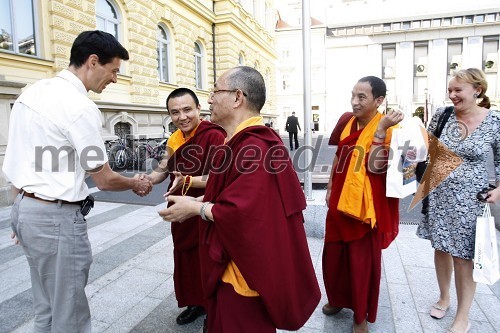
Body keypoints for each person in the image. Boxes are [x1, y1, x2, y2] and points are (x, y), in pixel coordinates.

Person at [2, 30, 153, 333]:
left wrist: (23, 214)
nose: (113, 80)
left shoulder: (31, 92)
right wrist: (136, 182)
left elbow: (17, 160)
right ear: (92, 61)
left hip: (25, 208)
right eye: (113, 71)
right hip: (55, 220)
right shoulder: (80, 106)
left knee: (46, 305)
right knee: (69, 313)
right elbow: (106, 179)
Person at [158, 66, 321, 332]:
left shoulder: (255, 146)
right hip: (234, 259)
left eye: (215, 91)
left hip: (243, 272)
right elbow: (232, 187)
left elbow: (243, 212)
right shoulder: (241, 141)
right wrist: (193, 185)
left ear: (237, 97)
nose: (209, 99)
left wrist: (195, 207)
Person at [416, 68, 500, 333]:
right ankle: (443, 297)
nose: (452, 95)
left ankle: (463, 316)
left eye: (457, 90)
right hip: (439, 194)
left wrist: (498, 189)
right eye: (450, 90)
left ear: (477, 90)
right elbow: (426, 148)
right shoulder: (442, 115)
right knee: (440, 248)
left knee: (464, 257)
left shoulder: (495, 120)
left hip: (472, 198)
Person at [322, 76, 403, 333]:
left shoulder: (390, 128)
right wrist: (330, 186)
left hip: (365, 206)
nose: (354, 102)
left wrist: (380, 132)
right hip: (339, 199)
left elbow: (376, 167)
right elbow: (339, 155)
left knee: (361, 263)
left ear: (378, 101)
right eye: (353, 96)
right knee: (333, 256)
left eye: (362, 97)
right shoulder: (347, 120)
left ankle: (360, 315)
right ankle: (337, 299)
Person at [141, 88, 226, 325]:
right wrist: (148, 179)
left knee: (208, 258)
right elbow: (164, 168)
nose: (182, 117)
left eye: (187, 109)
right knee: (186, 258)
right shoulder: (175, 137)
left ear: (199, 109)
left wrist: (189, 180)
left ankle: (214, 309)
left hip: (204, 208)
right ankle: (196, 303)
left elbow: (222, 177)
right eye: (175, 112)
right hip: (180, 210)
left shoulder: (214, 136)